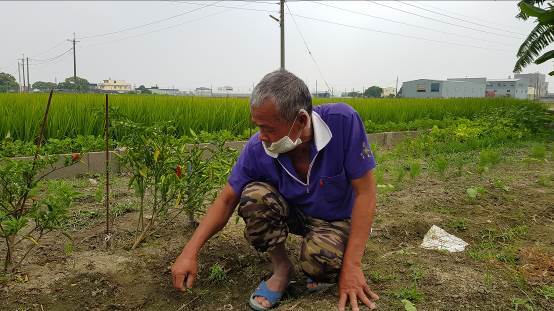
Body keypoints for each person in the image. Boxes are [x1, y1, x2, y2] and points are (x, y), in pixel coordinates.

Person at [171, 69, 379, 311]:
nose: (262, 137)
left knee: (322, 262)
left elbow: (366, 193)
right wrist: (190, 251)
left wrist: (352, 266)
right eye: (258, 127)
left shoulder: (342, 122)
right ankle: (282, 268)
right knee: (254, 196)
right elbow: (228, 199)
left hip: (336, 219)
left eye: (268, 128)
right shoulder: (259, 149)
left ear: (301, 120)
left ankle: (323, 261)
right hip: (295, 212)